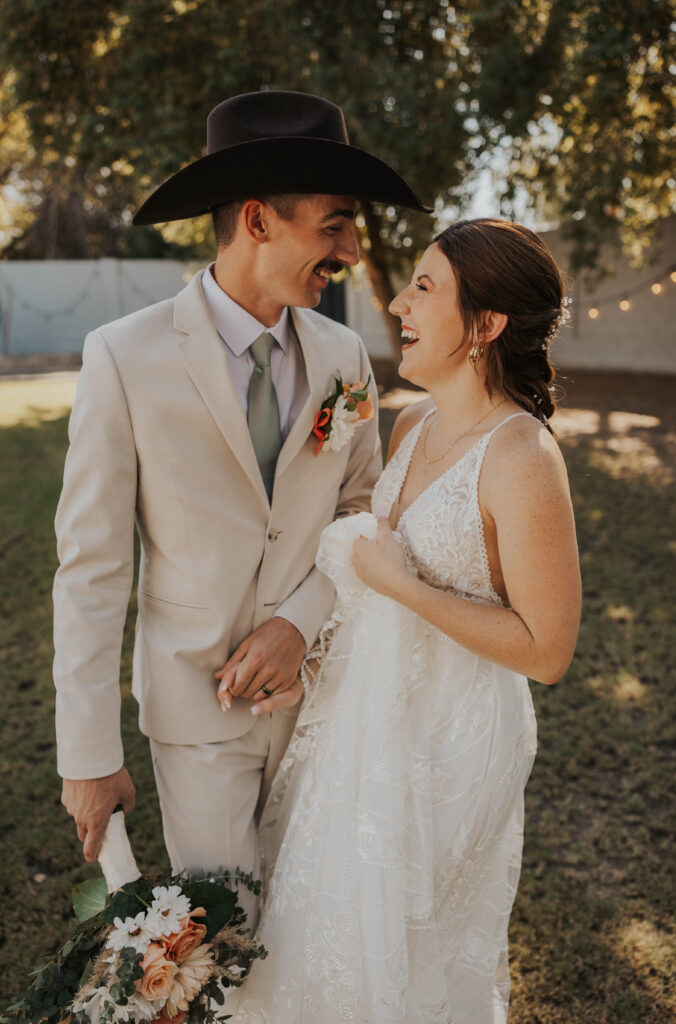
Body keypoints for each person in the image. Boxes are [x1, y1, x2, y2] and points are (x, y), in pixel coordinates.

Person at [53, 90, 431, 920]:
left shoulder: (343, 357)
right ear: (258, 220)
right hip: (196, 712)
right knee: (225, 940)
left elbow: (365, 508)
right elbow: (91, 568)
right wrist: (86, 754)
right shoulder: (124, 357)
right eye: (333, 223)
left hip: (327, 699)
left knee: (317, 926)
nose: (348, 248)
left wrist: (299, 622)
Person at [231, 218, 582, 1022]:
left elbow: (547, 650)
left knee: (403, 956)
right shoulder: (410, 425)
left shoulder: (521, 455)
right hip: (364, 723)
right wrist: (313, 671)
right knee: (325, 936)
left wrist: (402, 585)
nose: (396, 302)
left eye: (424, 288)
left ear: (486, 325)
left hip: (452, 745)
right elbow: (377, 614)